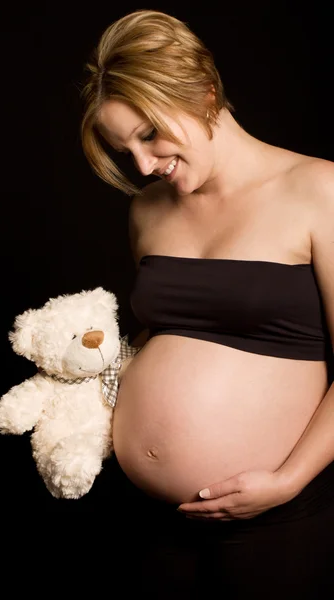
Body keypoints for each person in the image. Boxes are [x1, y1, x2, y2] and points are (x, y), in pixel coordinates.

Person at [79, 9, 334, 598]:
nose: (144, 166)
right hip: (144, 517)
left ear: (204, 93)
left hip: (276, 516)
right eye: (126, 150)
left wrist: (288, 480)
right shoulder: (146, 211)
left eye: (149, 134)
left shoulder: (317, 190)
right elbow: (165, 335)